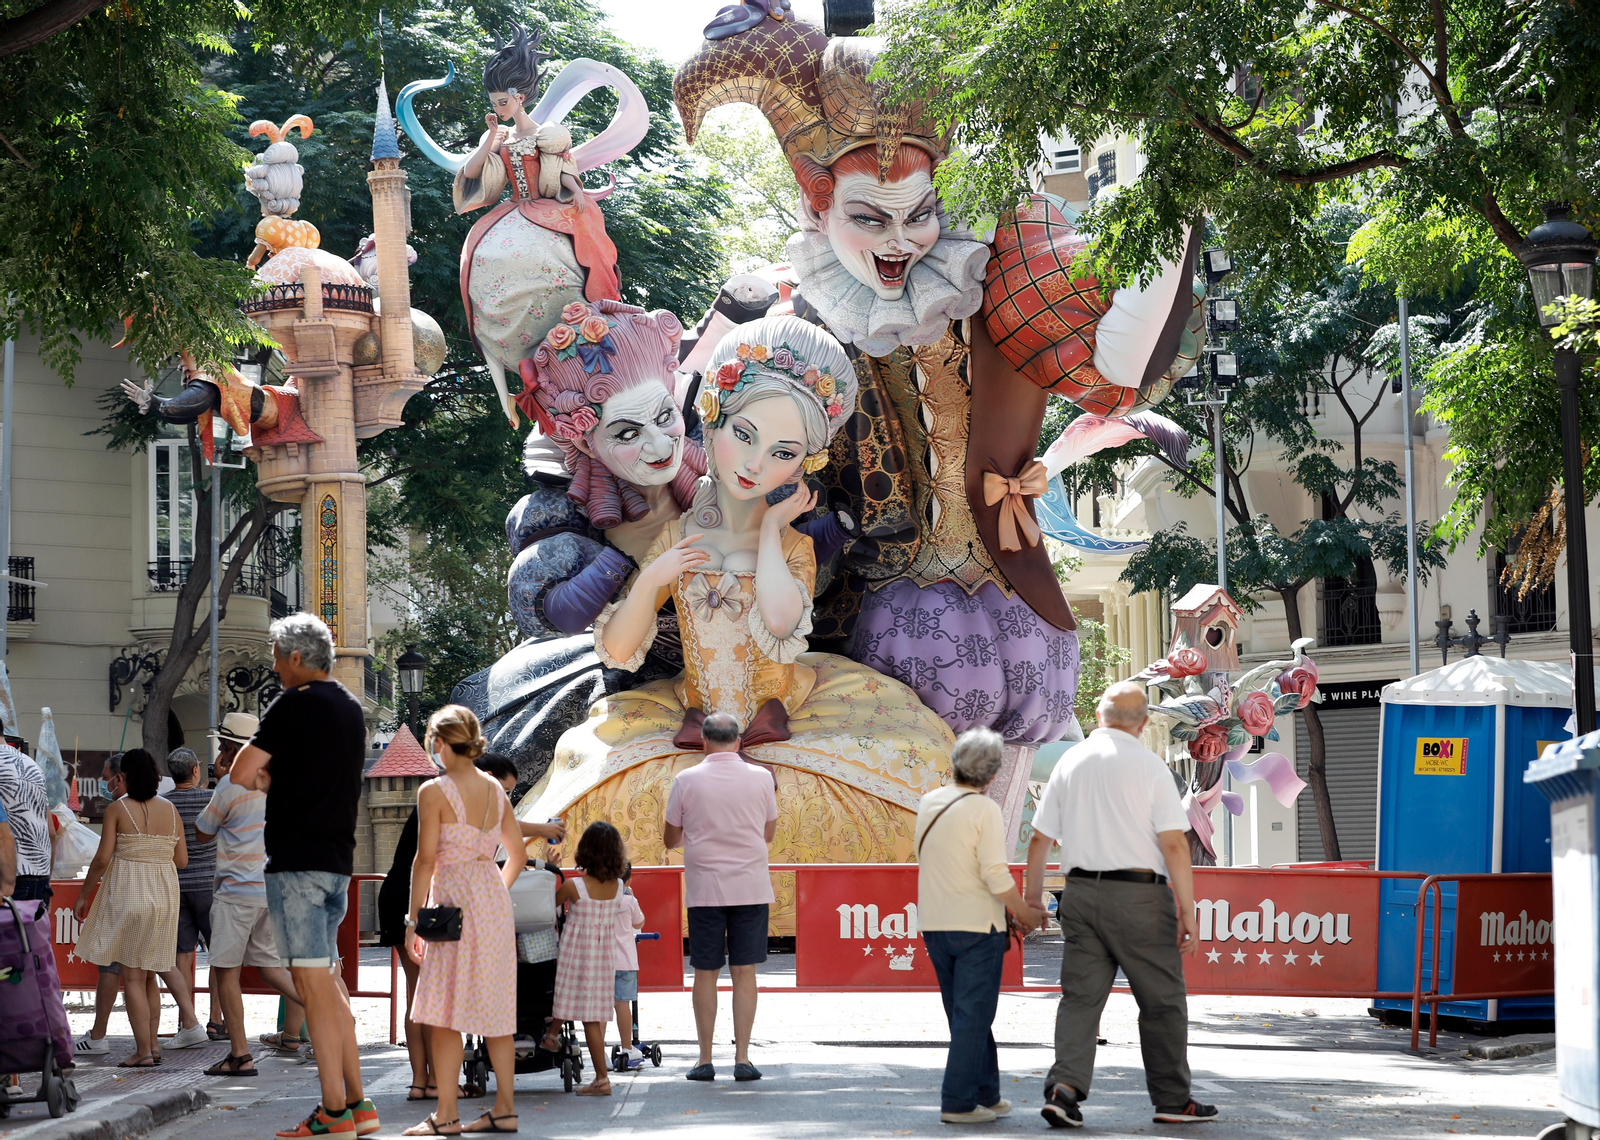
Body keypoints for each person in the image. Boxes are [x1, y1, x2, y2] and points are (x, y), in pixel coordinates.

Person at [526, 316, 955, 928]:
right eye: (743, 435)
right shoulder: (675, 534)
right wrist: (651, 579)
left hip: (789, 710)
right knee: (612, 799)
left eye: (782, 452)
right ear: (712, 418)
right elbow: (619, 649)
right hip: (690, 715)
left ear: (804, 461)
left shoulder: (793, 546)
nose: (755, 463)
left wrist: (776, 536)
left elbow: (782, 624)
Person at [1023, 682, 1215, 1128]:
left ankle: (1064, 1089)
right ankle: (1172, 1099)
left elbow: (1039, 838)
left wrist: (1033, 900)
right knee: (1162, 1000)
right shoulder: (1150, 767)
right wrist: (1187, 909)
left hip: (1081, 895)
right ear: (1144, 723)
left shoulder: (1070, 761)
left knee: (1080, 999)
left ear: (1098, 714)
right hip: (1140, 898)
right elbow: (1173, 843)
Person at [229, 614, 378, 1140]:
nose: (273, 666)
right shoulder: (349, 708)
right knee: (330, 985)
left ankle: (334, 1110)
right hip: (336, 861)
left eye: (275, 657)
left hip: (296, 864)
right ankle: (358, 1104)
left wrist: (276, 781)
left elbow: (241, 772)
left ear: (295, 658)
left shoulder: (294, 704)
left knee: (313, 989)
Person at [915, 728, 1047, 1124]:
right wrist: (1025, 913)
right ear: (992, 775)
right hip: (976, 925)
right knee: (975, 1014)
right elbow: (995, 874)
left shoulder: (929, 802)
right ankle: (957, 1102)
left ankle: (987, 1094)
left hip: (935, 922)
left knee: (965, 1014)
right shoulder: (984, 810)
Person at [403, 707, 524, 1137]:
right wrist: (492, 894)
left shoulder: (433, 791)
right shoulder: (495, 788)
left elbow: (425, 860)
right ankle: (505, 1109)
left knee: (443, 1009)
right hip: (491, 903)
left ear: (438, 742)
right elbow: (518, 853)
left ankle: (448, 1114)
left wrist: (413, 920)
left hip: (449, 903)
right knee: (496, 1011)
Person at [661, 712, 776, 1084]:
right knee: (745, 972)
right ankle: (742, 1058)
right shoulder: (762, 778)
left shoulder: (686, 779)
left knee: (706, 972)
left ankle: (705, 1059)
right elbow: (769, 832)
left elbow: (670, 838)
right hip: (750, 885)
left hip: (706, 887)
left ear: (704, 742)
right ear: (739, 742)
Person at [195, 737, 306, 1077]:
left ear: (230, 750)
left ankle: (240, 1055)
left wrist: (222, 780)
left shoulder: (231, 784)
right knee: (270, 968)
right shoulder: (280, 782)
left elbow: (202, 831)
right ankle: (326, 1011)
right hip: (271, 888)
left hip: (235, 891)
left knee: (226, 971)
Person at [71, 749, 187, 1067]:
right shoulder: (170, 809)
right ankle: (153, 1046)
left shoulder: (118, 809)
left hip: (131, 895)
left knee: (133, 979)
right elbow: (182, 860)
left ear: (125, 776)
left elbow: (102, 858)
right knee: (149, 975)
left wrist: (84, 895)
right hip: (165, 896)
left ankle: (143, 1052)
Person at [549, 820, 626, 1097]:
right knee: (592, 1015)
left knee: (581, 1011)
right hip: (603, 958)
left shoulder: (574, 887)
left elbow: (549, 906)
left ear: (586, 852)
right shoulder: (619, 887)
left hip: (576, 957)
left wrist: (548, 865)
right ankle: (552, 1035)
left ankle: (602, 1079)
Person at [162, 747, 218, 1047]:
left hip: (176, 886)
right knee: (219, 954)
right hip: (210, 883)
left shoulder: (164, 804)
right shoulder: (211, 800)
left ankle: (187, 1021)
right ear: (196, 770)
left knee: (182, 954)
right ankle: (217, 1019)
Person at [0, 733, 53, 902]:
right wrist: (47, 883)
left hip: (6, 879)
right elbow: (51, 831)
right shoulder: (33, 766)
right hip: (40, 876)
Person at [610, 863, 646, 1071]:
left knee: (602, 1008)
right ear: (629, 880)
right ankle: (627, 1047)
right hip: (625, 961)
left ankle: (601, 1055)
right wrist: (632, 896)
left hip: (603, 961)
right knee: (622, 1004)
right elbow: (639, 923)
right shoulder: (630, 900)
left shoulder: (601, 900)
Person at [210, 711, 258, 786]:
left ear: (231, 748)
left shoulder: (231, 783)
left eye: (221, 744)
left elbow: (227, 794)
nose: (219, 748)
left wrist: (222, 780)